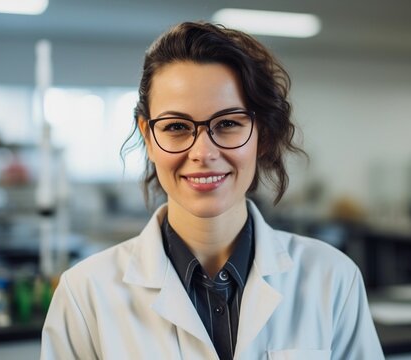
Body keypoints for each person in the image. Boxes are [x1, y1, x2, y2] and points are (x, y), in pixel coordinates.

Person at [41, 21, 384, 360]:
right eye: (176, 127)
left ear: (261, 134)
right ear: (147, 136)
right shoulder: (86, 294)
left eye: (228, 123)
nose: (203, 153)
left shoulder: (333, 279)